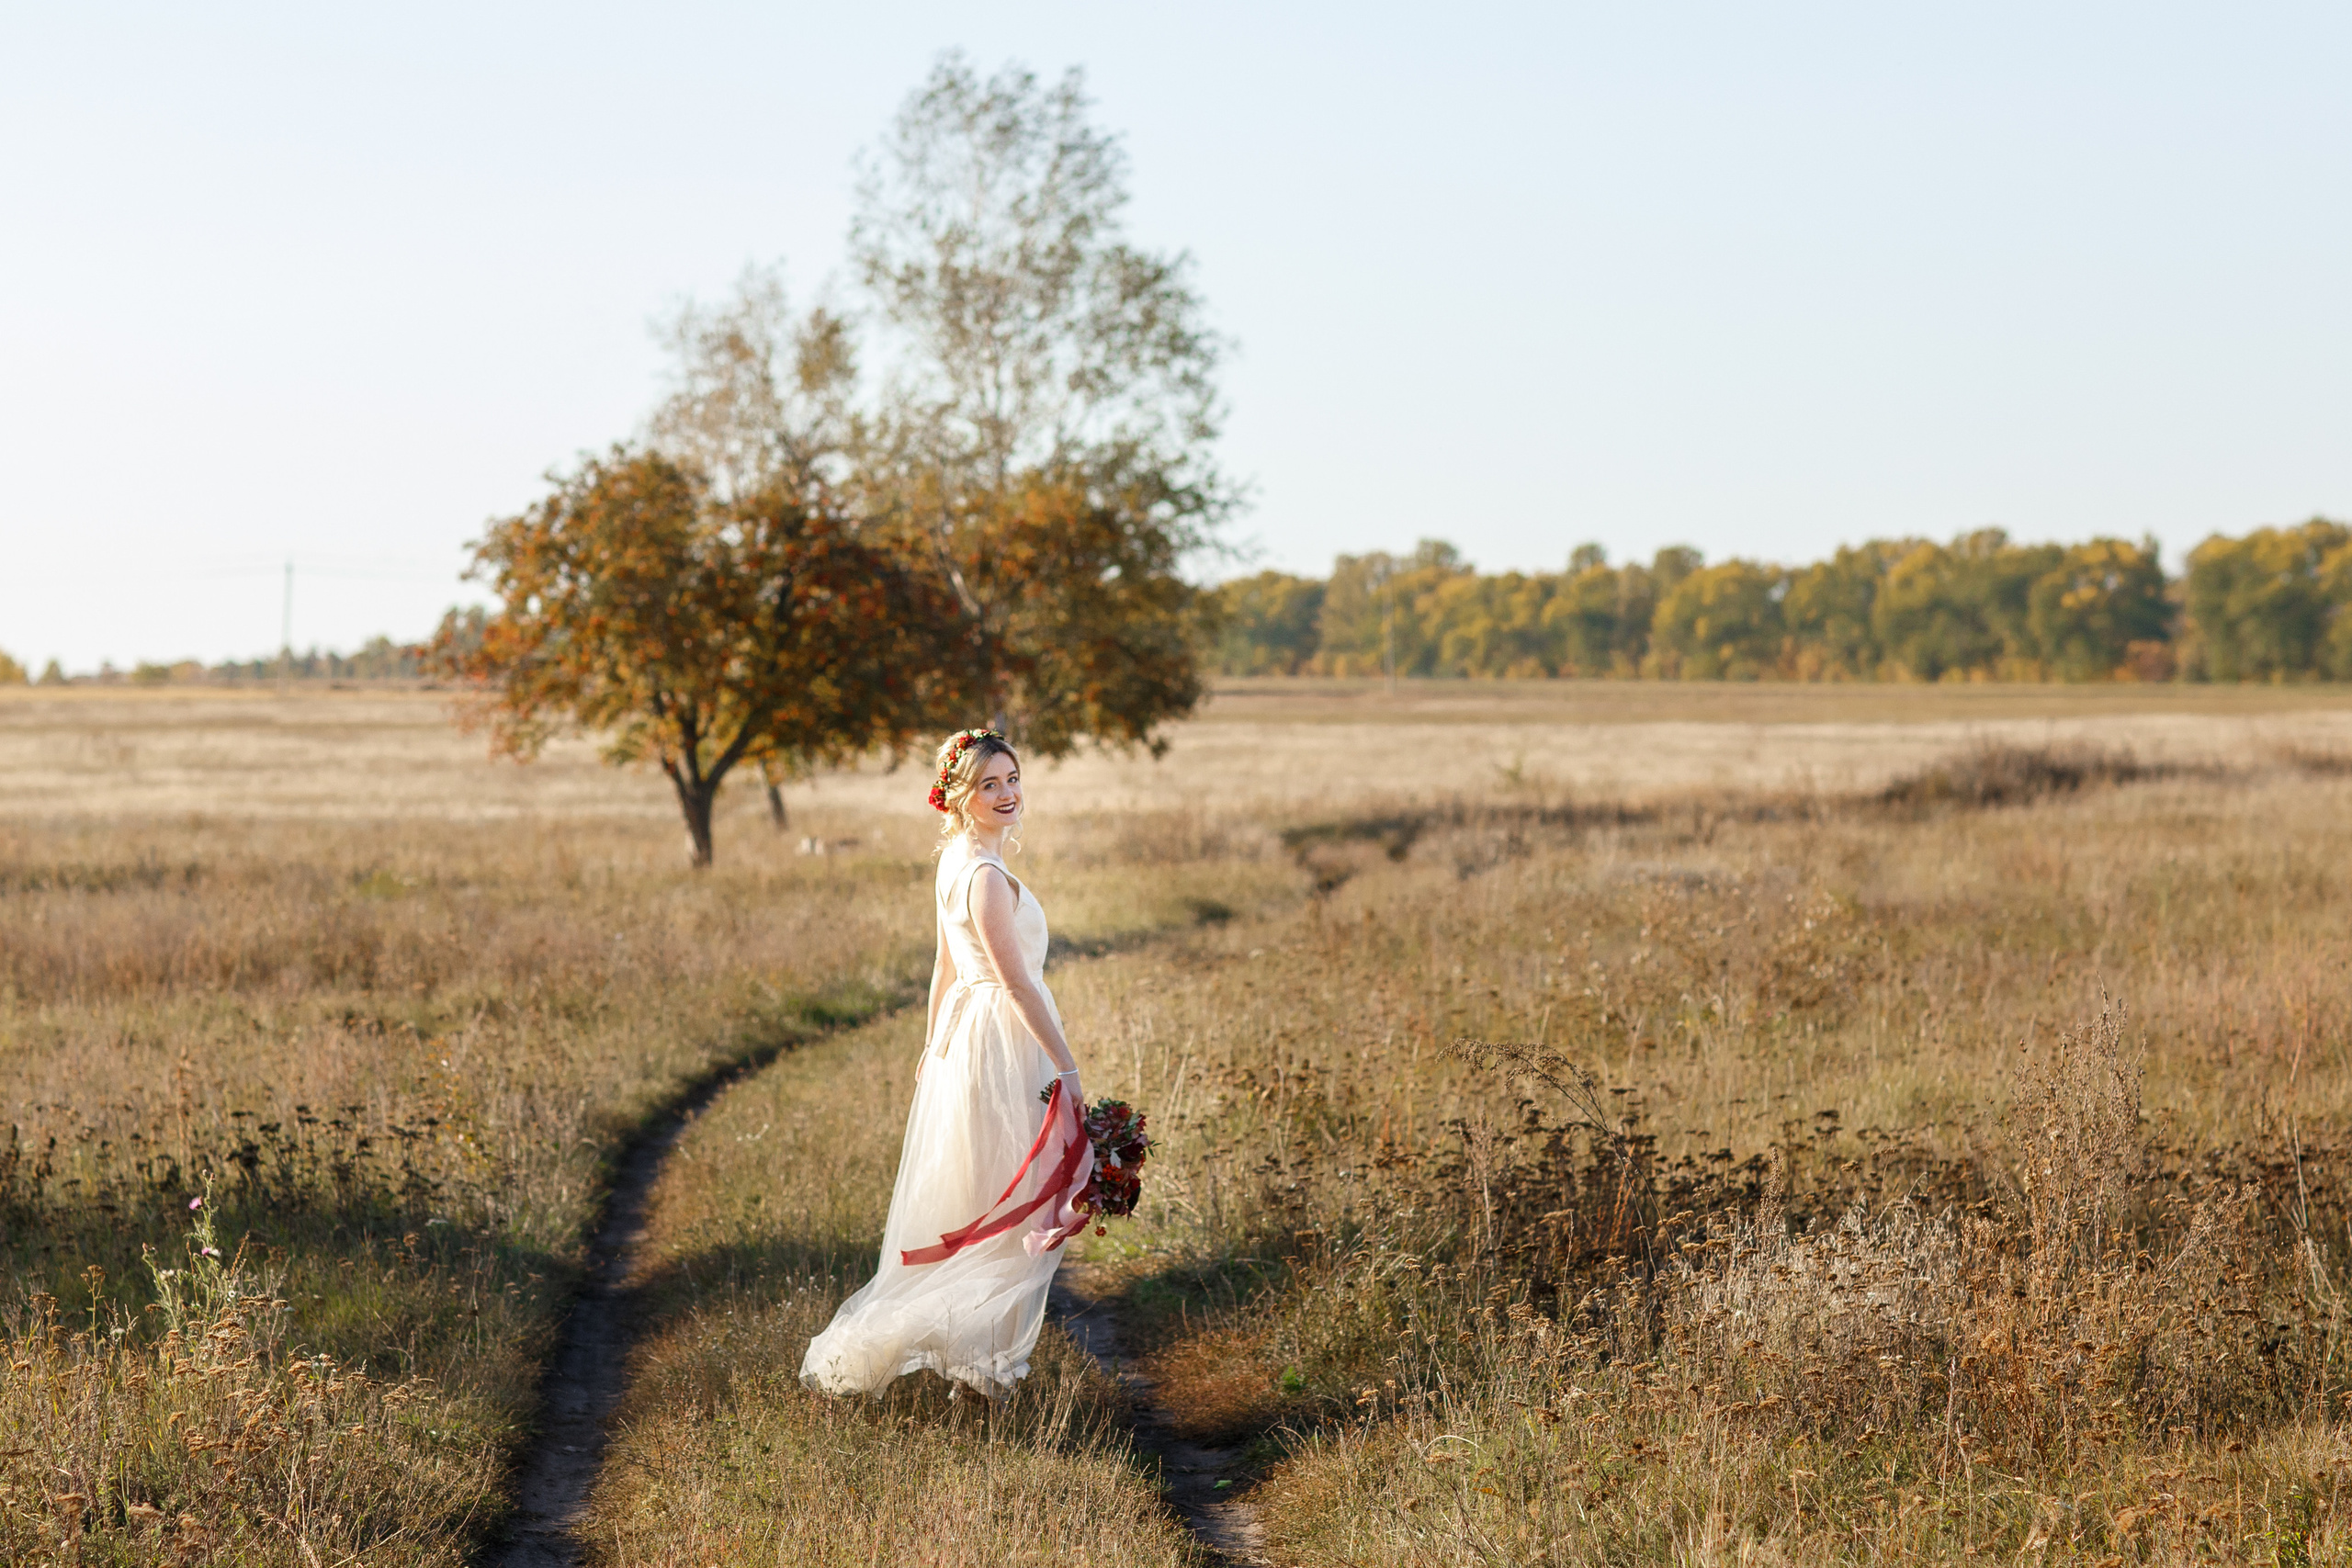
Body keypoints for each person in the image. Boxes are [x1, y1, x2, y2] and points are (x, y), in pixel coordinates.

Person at [800, 728, 1092, 1399]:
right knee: (1012, 1204)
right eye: (989, 784)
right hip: (999, 1038)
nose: (1007, 793)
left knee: (987, 1194)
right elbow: (1013, 983)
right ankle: (982, 1364)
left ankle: (975, 1365)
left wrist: (933, 1048)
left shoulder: (959, 858)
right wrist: (1067, 1069)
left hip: (969, 1037)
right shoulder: (984, 875)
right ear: (961, 796)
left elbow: (943, 966)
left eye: (1012, 778)